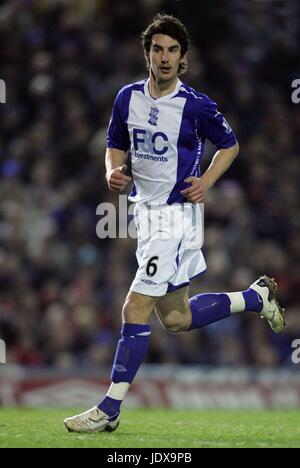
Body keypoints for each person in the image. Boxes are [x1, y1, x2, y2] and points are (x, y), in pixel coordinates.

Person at [64, 13, 285, 433]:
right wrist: (111, 170)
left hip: (176, 216)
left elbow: (230, 145)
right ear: (146, 54)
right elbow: (114, 142)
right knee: (177, 319)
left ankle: (108, 410)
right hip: (144, 216)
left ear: (183, 58)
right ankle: (255, 298)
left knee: (134, 306)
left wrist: (206, 182)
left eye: (172, 51)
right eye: (157, 49)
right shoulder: (126, 98)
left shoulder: (196, 104)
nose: (164, 57)